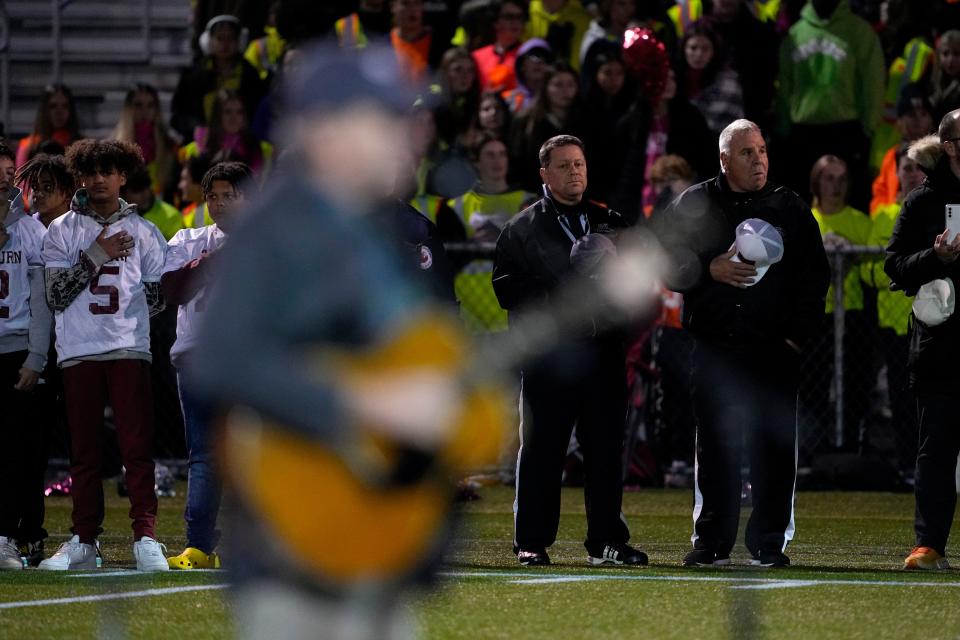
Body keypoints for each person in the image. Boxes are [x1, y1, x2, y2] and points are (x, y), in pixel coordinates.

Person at [188, 43, 502, 638]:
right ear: (321, 128)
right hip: (295, 552)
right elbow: (223, 357)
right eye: (378, 119)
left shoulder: (372, 228)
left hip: (373, 545)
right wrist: (360, 404)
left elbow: (411, 350)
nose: (402, 135)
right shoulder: (275, 224)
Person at [658, 119, 829, 568]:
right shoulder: (694, 204)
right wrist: (705, 268)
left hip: (773, 348)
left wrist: (794, 339)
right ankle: (711, 540)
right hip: (714, 348)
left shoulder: (789, 206)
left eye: (762, 150)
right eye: (747, 153)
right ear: (724, 159)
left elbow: (815, 279)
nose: (758, 160)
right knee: (714, 446)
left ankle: (770, 543)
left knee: (773, 447)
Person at [493, 134, 647, 567]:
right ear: (544, 174)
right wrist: (566, 278)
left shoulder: (612, 221)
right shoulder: (521, 228)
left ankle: (606, 541)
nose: (574, 172)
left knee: (604, 452)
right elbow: (507, 294)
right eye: (563, 166)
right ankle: (532, 541)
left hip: (602, 355)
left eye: (579, 164)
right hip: (549, 357)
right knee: (542, 449)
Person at [37, 139, 169, 572]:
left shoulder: (146, 232)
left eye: (107, 171)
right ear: (80, 176)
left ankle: (145, 536)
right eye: (91, 172)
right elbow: (55, 296)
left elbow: (155, 300)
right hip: (79, 350)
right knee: (85, 453)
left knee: (137, 449)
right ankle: (84, 540)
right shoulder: (61, 230)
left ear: (123, 176)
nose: (98, 180)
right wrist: (99, 253)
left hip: (128, 347)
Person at [163, 161, 252, 570]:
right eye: (212, 196)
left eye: (227, 195)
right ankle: (198, 546)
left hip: (247, 358)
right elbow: (170, 290)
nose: (217, 203)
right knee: (204, 456)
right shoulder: (189, 238)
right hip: (197, 355)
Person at [885, 109, 960, 571]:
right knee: (936, 447)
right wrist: (935, 257)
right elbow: (894, 266)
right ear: (950, 146)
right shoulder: (921, 202)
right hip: (943, 346)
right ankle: (929, 543)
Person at [776, 0, 884, 212]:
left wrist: (867, 129)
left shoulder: (859, 31)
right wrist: (783, 128)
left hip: (846, 131)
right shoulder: (795, 34)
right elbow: (784, 86)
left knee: (850, 204)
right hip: (803, 134)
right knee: (800, 208)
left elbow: (873, 81)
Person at [0, 142, 52, 570]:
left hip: (16, 348)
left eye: (6, 171)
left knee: (19, 451)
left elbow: (40, 301)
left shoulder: (32, 231)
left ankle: (13, 536)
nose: (3, 180)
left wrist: (36, 356)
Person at [802, 155, 874, 455]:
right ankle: (812, 450)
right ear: (816, 182)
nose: (836, 186)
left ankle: (850, 447)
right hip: (816, 314)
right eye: (829, 178)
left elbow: (874, 267)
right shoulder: (805, 220)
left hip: (852, 314)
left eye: (841, 179)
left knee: (854, 386)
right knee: (813, 385)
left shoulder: (860, 221)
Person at [863, 144, 925, 483]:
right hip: (895, 323)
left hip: (932, 319)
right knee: (901, 398)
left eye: (918, 167)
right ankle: (906, 464)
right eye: (906, 168)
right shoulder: (884, 215)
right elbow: (868, 270)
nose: (912, 173)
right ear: (896, 173)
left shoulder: (933, 209)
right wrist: (901, 272)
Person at [450, 135, 535, 332]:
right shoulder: (455, 206)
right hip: (472, 316)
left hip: (517, 314)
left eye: (502, 154)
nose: (497, 161)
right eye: (490, 155)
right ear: (476, 162)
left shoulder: (531, 203)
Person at [170, 14, 267, 143]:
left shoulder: (250, 75)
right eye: (220, 38)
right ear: (208, 41)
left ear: (239, 41)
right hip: (200, 144)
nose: (225, 44)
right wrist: (196, 129)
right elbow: (178, 115)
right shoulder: (193, 74)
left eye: (230, 38)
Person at [179, 89, 273, 176]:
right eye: (228, 112)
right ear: (217, 115)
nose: (234, 117)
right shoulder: (201, 143)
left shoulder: (252, 146)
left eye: (239, 112)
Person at [112, 84, 180, 198]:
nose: (145, 111)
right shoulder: (116, 149)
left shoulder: (170, 146)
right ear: (129, 109)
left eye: (151, 105)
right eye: (138, 105)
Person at [16, 84, 81, 167]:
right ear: (44, 110)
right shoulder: (28, 146)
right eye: (53, 106)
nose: (59, 112)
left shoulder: (80, 145)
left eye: (65, 106)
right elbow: (21, 178)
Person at [472, 0, 527, 93]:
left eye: (520, 17)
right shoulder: (477, 57)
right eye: (509, 17)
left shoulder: (528, 55)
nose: (516, 22)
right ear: (495, 22)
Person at [122, 166, 184, 241]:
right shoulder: (118, 217)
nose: (144, 194)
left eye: (146, 187)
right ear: (124, 194)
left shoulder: (172, 216)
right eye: (136, 191)